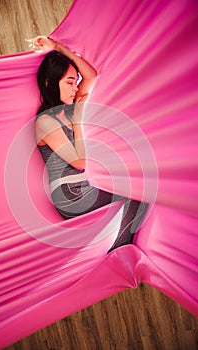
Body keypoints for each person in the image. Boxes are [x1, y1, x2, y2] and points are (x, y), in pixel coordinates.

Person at [33, 36, 148, 253]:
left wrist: (58, 48)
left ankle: (114, 246)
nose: (75, 88)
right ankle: (114, 251)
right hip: (70, 193)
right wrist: (77, 120)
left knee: (138, 193)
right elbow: (79, 161)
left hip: (84, 184)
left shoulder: (68, 108)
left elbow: (91, 75)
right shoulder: (46, 121)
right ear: (50, 83)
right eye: (69, 82)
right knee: (136, 198)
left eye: (75, 82)